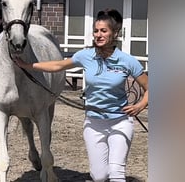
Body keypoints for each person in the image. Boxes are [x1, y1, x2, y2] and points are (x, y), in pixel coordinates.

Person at [14, 9, 148, 182]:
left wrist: (140, 105)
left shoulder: (127, 61)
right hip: (94, 123)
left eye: (104, 31)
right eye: (96, 31)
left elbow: (149, 87)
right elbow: (58, 65)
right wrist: (28, 65)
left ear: (115, 33)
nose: (99, 35)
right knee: (99, 177)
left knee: (116, 173)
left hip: (120, 122)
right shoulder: (86, 56)